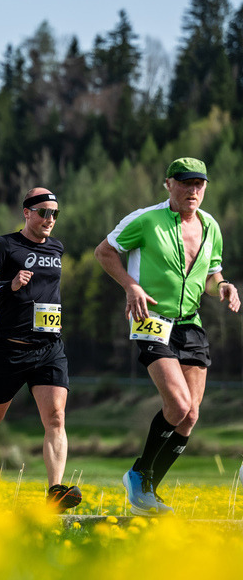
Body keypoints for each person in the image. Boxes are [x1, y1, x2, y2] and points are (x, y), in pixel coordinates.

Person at [95, 157, 240, 516]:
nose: (193, 190)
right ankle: (138, 474)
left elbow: (212, 275)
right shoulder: (146, 220)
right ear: (169, 184)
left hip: (190, 323)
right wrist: (130, 286)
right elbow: (104, 252)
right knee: (176, 405)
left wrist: (223, 286)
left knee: (190, 415)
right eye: (185, 183)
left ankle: (148, 490)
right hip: (151, 319)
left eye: (199, 184)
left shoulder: (210, 226)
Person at [0, 187, 82, 513]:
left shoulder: (57, 247)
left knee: (56, 417)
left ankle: (55, 490)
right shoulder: (5, 245)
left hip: (49, 346)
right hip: (9, 348)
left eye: (54, 213)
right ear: (26, 213)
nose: (50, 219)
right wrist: (7, 285)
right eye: (43, 212)